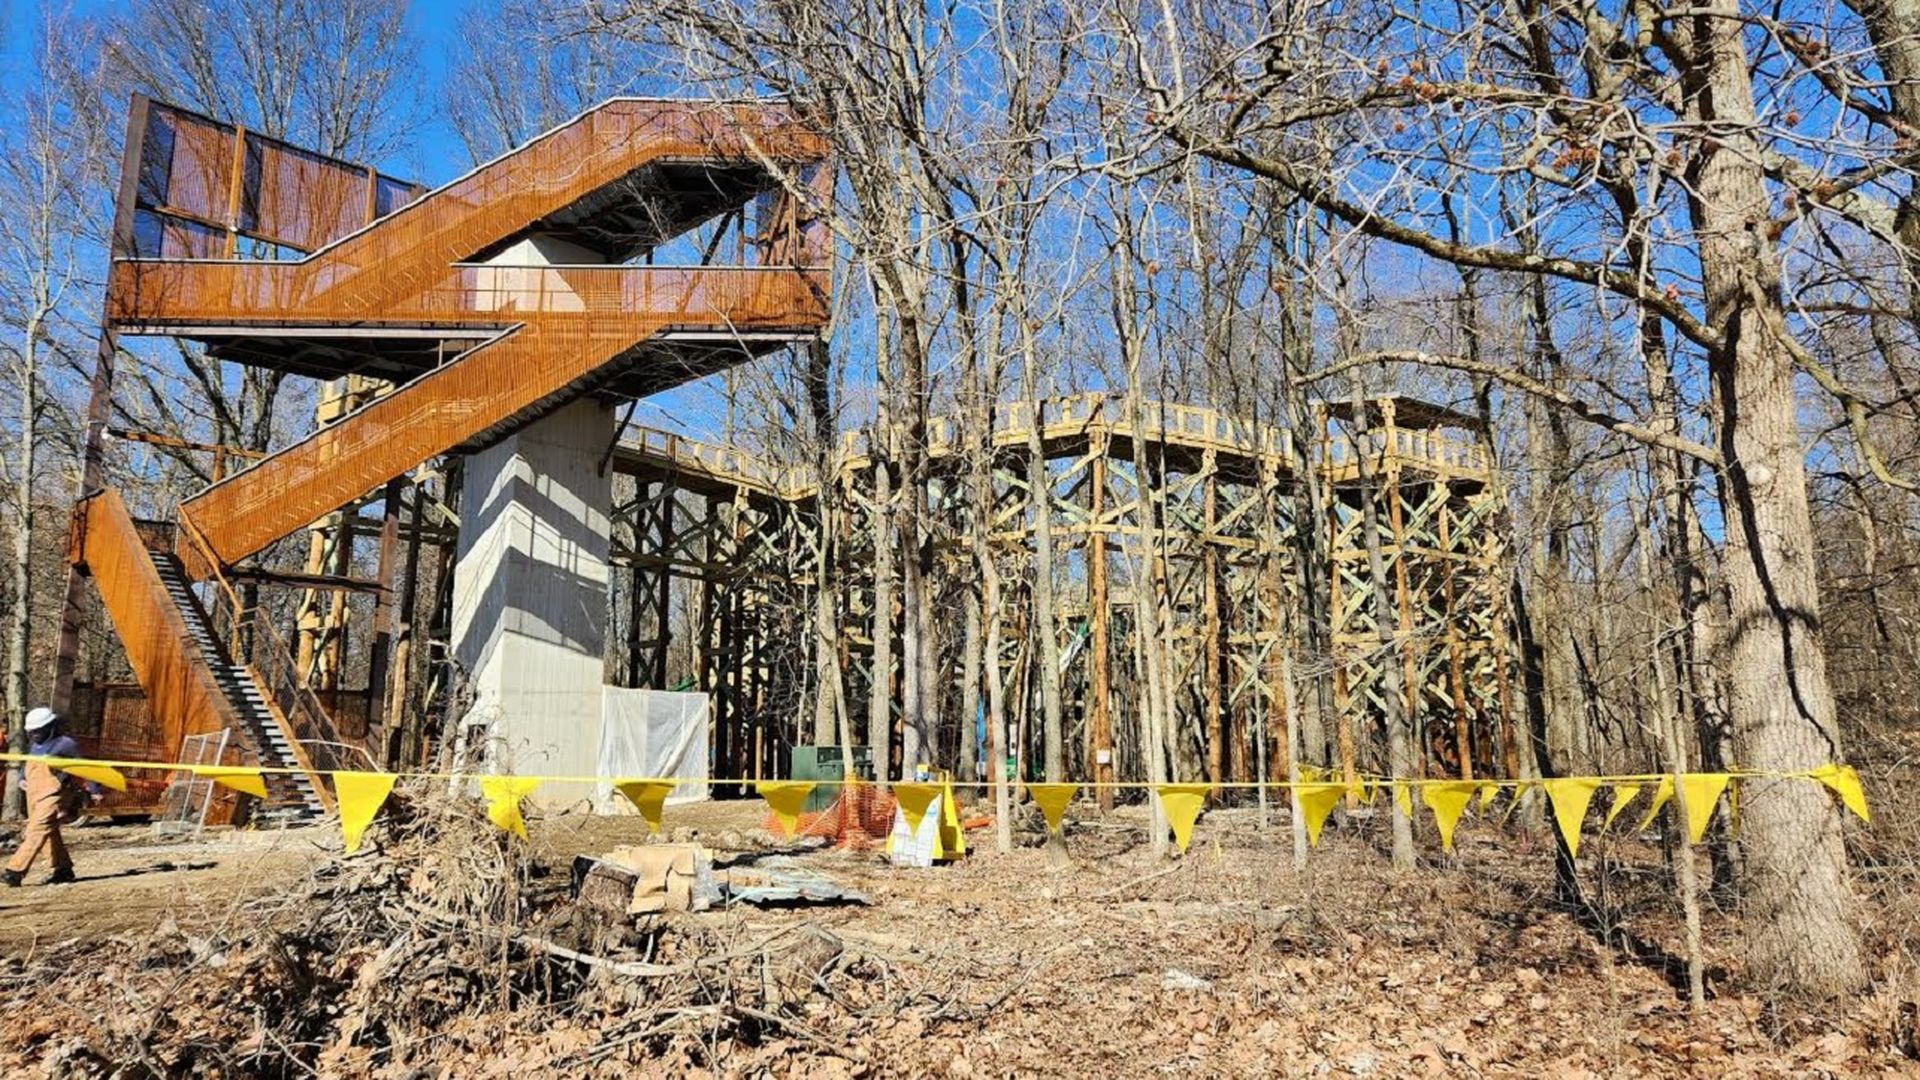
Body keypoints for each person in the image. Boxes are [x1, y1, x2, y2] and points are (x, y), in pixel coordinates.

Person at [2, 707, 87, 887]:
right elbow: (28, 763)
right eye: (31, 732)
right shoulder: (33, 745)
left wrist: (94, 789)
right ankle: (62, 868)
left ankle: (15, 870)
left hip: (55, 793)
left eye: (37, 731)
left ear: (50, 727)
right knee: (49, 831)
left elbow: (85, 767)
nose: (34, 735)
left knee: (36, 830)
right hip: (34, 792)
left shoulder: (66, 744)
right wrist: (22, 778)